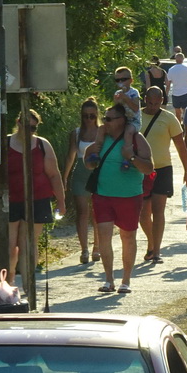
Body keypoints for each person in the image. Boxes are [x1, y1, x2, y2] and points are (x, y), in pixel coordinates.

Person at [84, 104, 154, 294]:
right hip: (102, 195)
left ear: (122, 120)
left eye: (109, 119)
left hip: (129, 196)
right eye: (104, 118)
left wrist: (131, 158)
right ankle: (108, 280)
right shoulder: (101, 138)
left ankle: (126, 280)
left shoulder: (136, 140)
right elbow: (88, 160)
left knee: (128, 237)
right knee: (104, 236)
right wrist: (91, 159)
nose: (105, 122)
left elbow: (149, 167)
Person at [7, 109, 65, 286]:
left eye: (34, 128)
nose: (30, 131)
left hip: (37, 199)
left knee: (28, 244)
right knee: (10, 248)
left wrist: (61, 202)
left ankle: (28, 287)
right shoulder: (5, 143)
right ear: (18, 123)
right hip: (10, 200)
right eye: (27, 126)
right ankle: (8, 286)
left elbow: (54, 175)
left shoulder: (42, 145)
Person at [138, 86, 187, 264]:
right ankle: (151, 243)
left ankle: (157, 250)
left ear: (162, 101)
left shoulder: (169, 118)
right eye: (150, 102)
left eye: (157, 102)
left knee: (158, 210)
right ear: (145, 99)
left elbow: (180, 145)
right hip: (141, 169)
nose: (153, 106)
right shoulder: (135, 117)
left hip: (162, 168)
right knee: (143, 213)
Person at [62, 98, 102, 265]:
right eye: (85, 116)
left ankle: (97, 247)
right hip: (80, 172)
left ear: (97, 115)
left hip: (99, 172)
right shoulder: (77, 133)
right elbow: (71, 155)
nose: (89, 119)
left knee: (98, 212)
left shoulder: (103, 131)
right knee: (82, 212)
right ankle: (84, 249)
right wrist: (64, 177)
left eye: (92, 116)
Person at [91, 66, 141, 167]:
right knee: (101, 128)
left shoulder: (134, 92)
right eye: (118, 80)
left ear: (131, 80)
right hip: (121, 120)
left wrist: (126, 98)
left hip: (133, 121)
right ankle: (96, 153)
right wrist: (117, 101)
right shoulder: (117, 93)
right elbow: (116, 110)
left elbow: (136, 108)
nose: (121, 82)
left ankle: (126, 157)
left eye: (124, 79)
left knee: (128, 133)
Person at [166, 52, 187, 121]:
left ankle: (179, 128)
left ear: (175, 59)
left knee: (177, 112)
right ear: (183, 59)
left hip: (175, 94)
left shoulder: (171, 69)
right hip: (185, 93)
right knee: (186, 112)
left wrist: (166, 94)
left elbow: (168, 84)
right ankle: (186, 126)